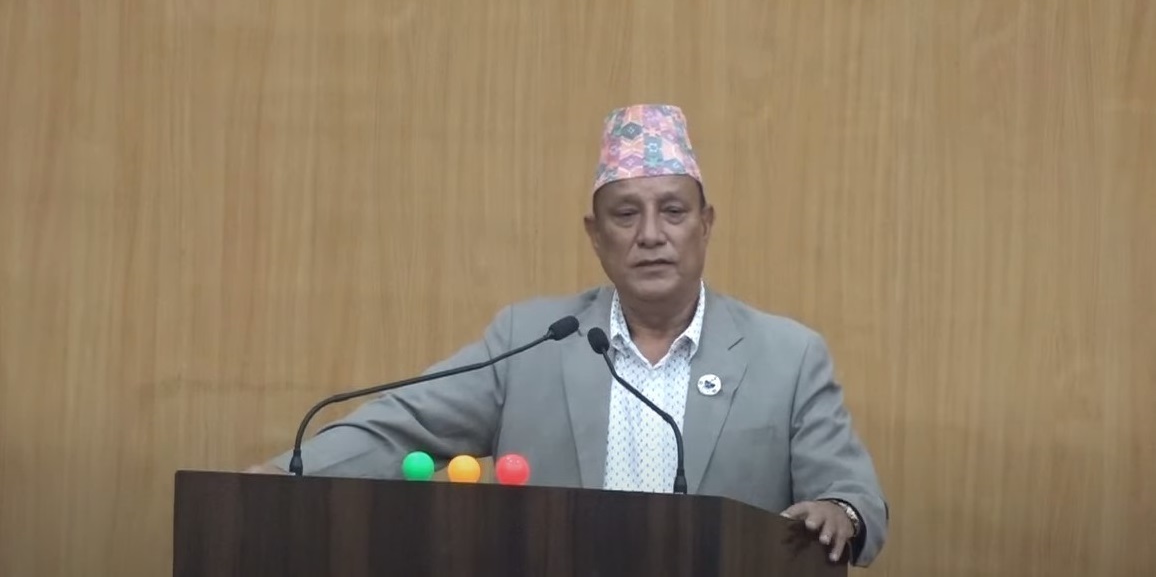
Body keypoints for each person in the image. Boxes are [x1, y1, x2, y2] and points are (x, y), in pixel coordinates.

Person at [248, 104, 889, 567]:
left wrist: (843, 511)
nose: (651, 235)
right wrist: (281, 477)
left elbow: (855, 495)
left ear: (706, 224)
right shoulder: (532, 340)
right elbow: (402, 427)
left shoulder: (787, 356)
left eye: (673, 211)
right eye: (626, 214)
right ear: (595, 235)